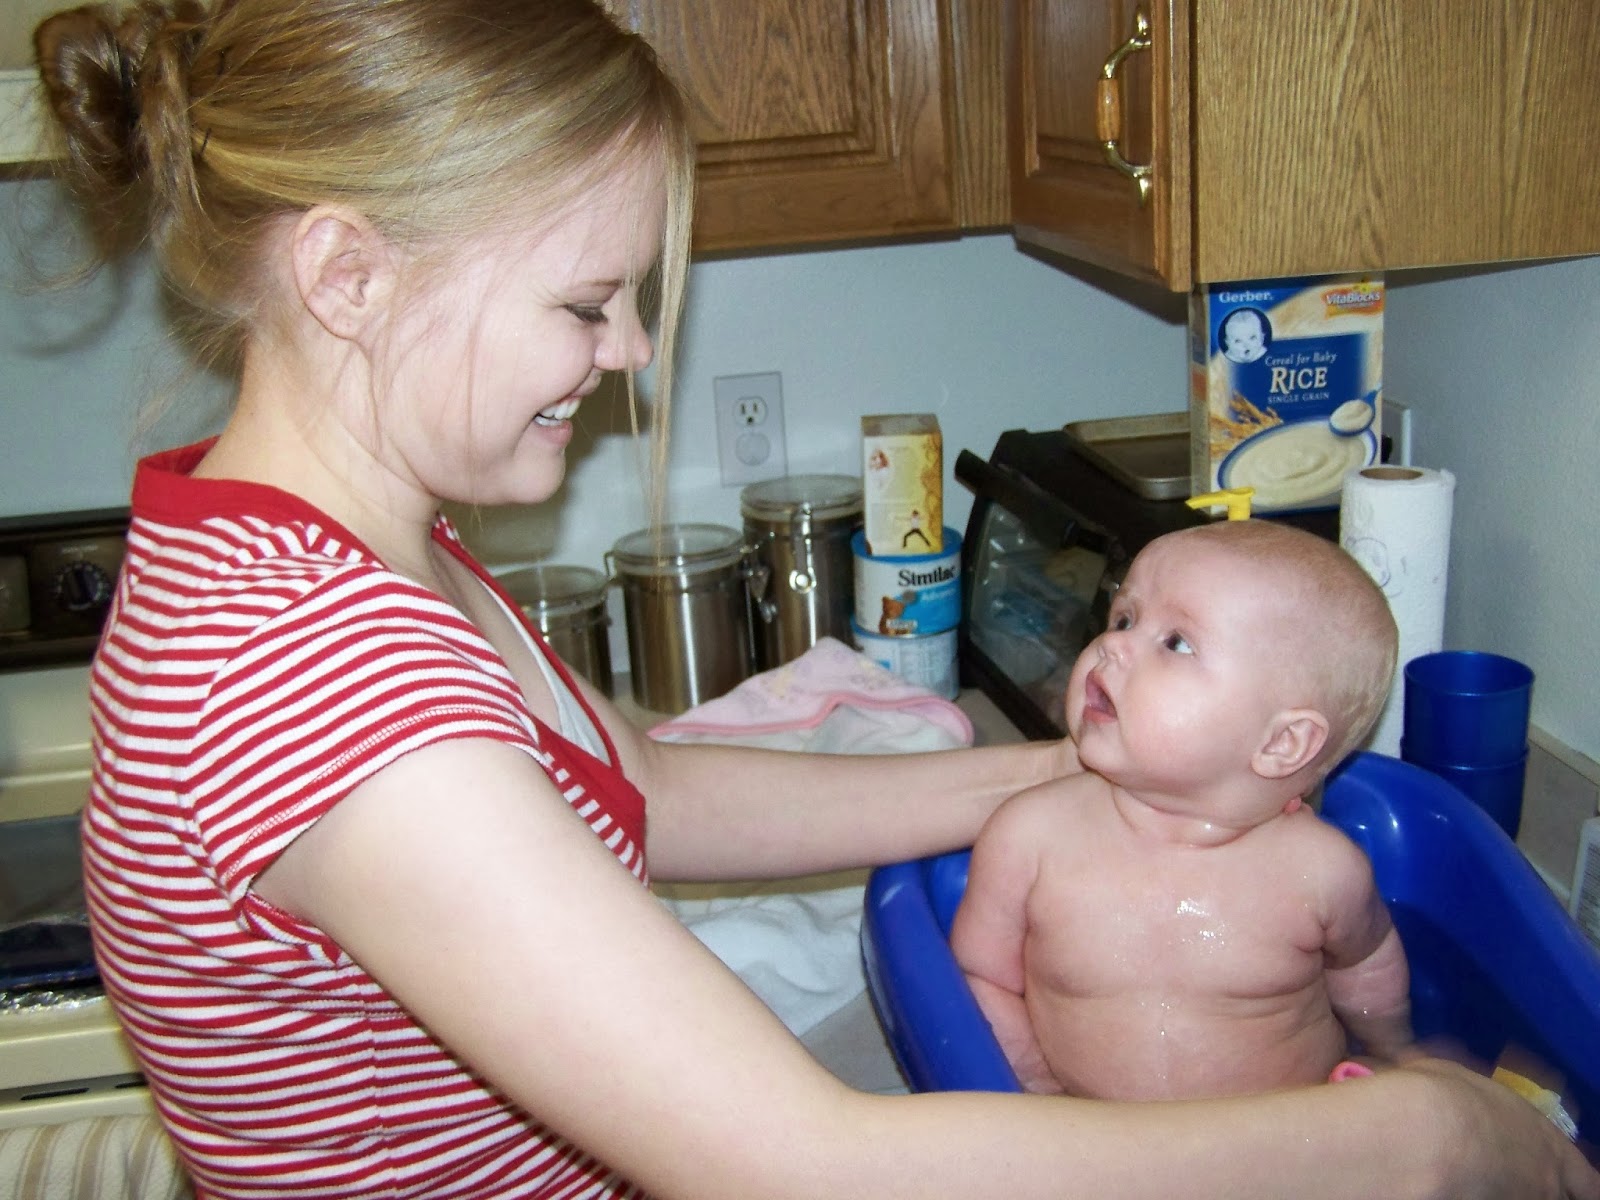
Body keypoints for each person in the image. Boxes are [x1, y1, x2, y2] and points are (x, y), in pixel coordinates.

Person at [32, 2, 1598, 1198]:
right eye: (587, 300)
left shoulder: (329, 547)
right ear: (347, 275)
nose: (634, 349)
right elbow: (807, 1167)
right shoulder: (315, 676)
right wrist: (1414, 1137)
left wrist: (1077, 767)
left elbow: (645, 789)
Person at [951, 520, 1413, 1099]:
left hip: (1289, 1146)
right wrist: (1039, 1086)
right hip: (1093, 1138)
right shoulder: (1029, 839)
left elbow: (1365, 967)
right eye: (1124, 618)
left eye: (1177, 642)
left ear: (1281, 744)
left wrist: (1392, 1049)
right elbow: (981, 979)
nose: (1111, 644)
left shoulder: (1321, 872)